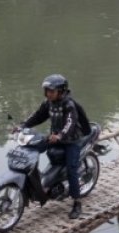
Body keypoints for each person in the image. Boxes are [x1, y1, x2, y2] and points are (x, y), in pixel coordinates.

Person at [20, 74, 91, 219]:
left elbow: (70, 124)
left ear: (61, 91)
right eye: (46, 91)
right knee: (34, 148)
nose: (48, 94)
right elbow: (38, 116)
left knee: (72, 169)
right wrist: (23, 125)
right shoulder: (48, 103)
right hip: (55, 137)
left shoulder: (69, 105)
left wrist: (60, 136)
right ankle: (41, 183)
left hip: (71, 140)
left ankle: (77, 202)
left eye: (51, 91)